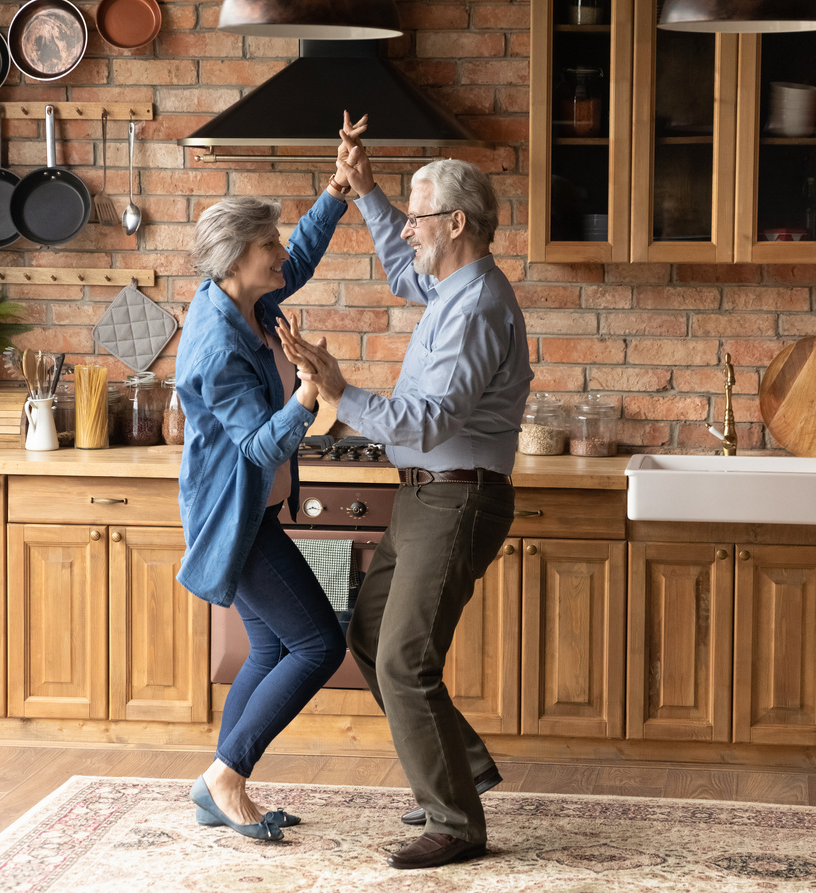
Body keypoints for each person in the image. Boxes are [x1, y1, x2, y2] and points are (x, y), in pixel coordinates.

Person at [278, 119, 532, 870]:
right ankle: (463, 765)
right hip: (428, 495)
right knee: (370, 636)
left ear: (456, 223)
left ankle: (455, 820)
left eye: (422, 218)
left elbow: (427, 421)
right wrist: (367, 192)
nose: (411, 231)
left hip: (456, 498)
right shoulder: (452, 282)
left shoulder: (479, 304)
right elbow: (401, 264)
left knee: (403, 660)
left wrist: (337, 389)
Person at [175, 116, 367, 842]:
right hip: (237, 516)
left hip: (258, 511)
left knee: (270, 647)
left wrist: (337, 191)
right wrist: (310, 393)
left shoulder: (248, 301)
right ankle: (226, 776)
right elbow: (257, 446)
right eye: (268, 246)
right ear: (235, 259)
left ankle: (218, 782)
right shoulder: (215, 346)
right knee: (318, 644)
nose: (281, 255)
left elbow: (302, 259)